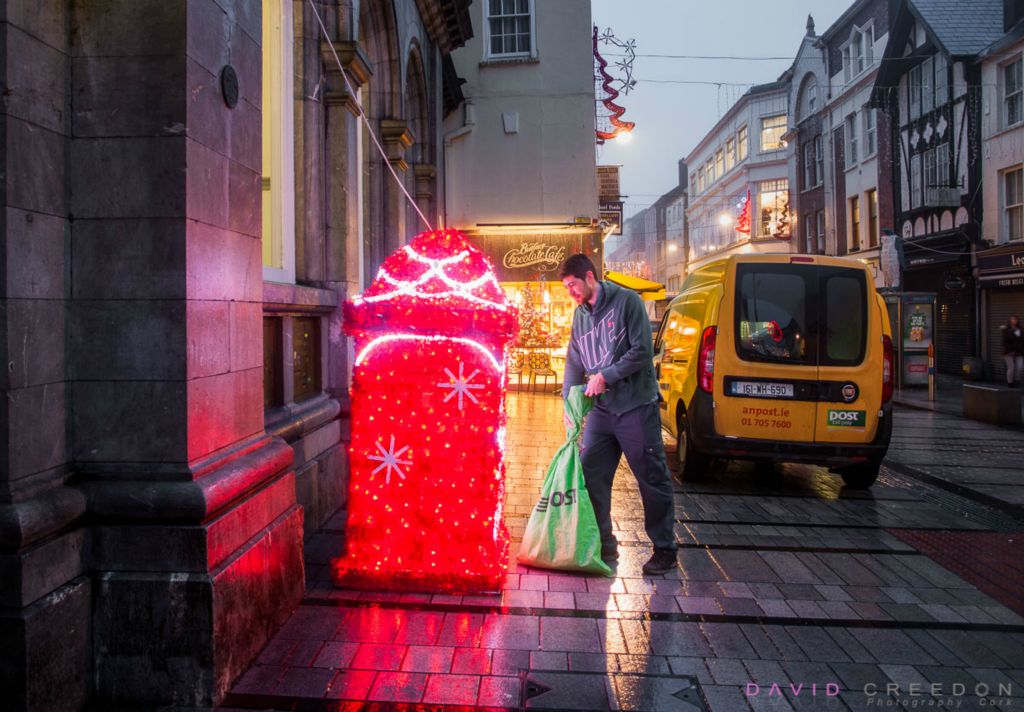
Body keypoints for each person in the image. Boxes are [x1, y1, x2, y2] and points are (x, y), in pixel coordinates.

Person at [559, 254, 677, 576]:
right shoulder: (580, 316)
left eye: (572, 285)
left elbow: (642, 350)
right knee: (591, 475)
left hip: (635, 406)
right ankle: (604, 544)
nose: (570, 292)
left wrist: (606, 375)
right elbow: (574, 361)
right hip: (600, 412)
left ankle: (665, 548)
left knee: (651, 478)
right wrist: (568, 403)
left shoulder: (628, 303)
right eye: (566, 288)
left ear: (589, 276)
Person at [1002, 315, 1024, 387]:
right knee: (1011, 368)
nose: (1014, 321)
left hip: (1019, 351)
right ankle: (1010, 382)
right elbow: (1004, 342)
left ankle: (1017, 380)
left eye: (1015, 319)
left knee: (1020, 367)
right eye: (1012, 319)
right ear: (1010, 321)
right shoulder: (1006, 330)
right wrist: (1010, 351)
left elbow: (1022, 340)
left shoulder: (1020, 329)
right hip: (1008, 352)